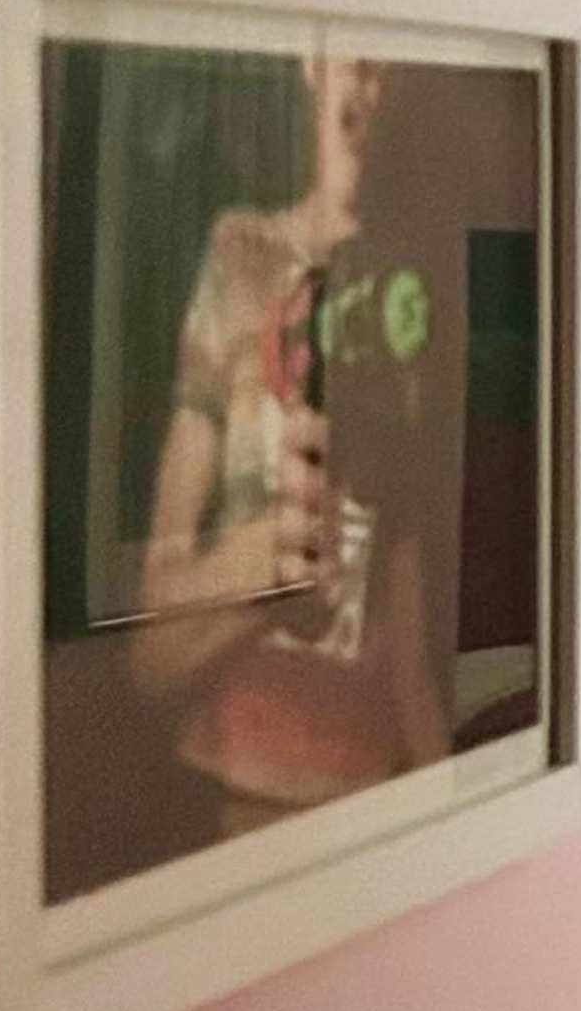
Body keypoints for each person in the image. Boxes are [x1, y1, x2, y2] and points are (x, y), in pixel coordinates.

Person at [124, 49, 444, 825]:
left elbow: (406, 623)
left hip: (368, 797)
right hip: (235, 785)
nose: (366, 84)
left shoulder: (414, 287)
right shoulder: (241, 254)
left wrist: (450, 805)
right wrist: (264, 565)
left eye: (383, 66)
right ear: (311, 62)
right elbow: (149, 633)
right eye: (351, 60)